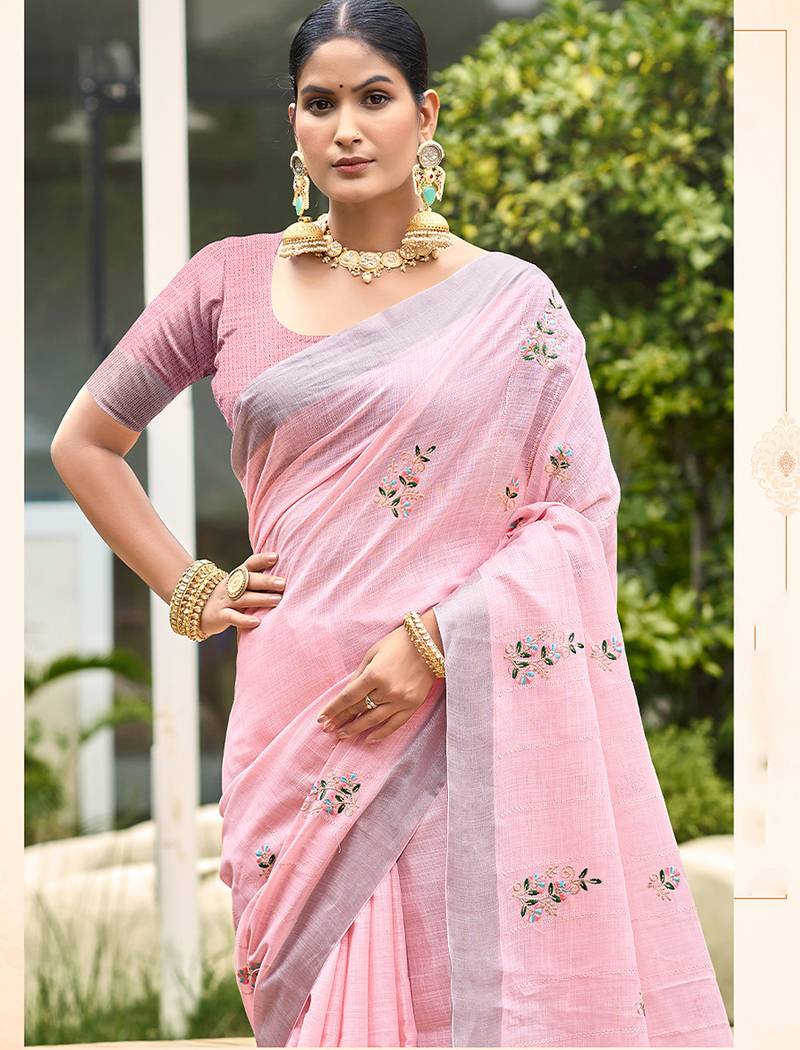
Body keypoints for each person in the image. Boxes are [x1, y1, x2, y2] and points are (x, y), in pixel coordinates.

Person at [51, 1, 733, 1046]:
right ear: (293, 121)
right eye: (319, 103)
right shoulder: (226, 280)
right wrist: (194, 590)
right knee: (308, 990)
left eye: (374, 98)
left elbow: (577, 511)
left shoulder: (515, 304)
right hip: (295, 707)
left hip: (454, 705)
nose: (346, 128)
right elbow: (87, 443)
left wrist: (438, 642)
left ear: (426, 113)